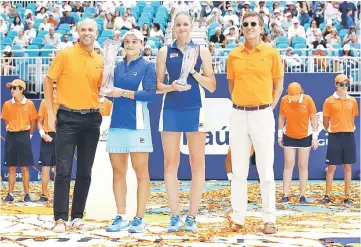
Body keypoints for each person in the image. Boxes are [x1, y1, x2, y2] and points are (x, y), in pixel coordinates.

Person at [156, 11, 216, 233]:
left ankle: (192, 216)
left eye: (185, 24)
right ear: (174, 27)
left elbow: (212, 85)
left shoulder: (202, 51)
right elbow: (157, 85)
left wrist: (194, 73)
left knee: (196, 164)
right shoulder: (164, 51)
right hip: (171, 108)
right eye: (178, 24)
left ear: (192, 27)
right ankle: (174, 215)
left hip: (194, 109)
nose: (182, 28)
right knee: (170, 164)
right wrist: (171, 87)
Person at [43, 18, 103, 233]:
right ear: (78, 31)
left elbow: (100, 89)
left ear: (97, 33)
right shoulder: (65, 55)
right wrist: (50, 111)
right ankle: (60, 219)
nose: (87, 33)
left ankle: (77, 217)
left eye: (91, 30)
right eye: (83, 29)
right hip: (67, 118)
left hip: (92, 120)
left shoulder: (100, 59)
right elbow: (48, 81)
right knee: (64, 171)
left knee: (85, 171)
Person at [227, 11, 284, 234]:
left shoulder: (271, 54)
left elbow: (278, 83)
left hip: (262, 113)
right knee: (239, 170)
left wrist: (269, 105)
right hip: (239, 114)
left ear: (262, 28)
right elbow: (231, 86)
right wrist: (243, 103)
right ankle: (238, 218)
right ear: (241, 28)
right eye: (245, 24)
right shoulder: (233, 55)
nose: (249, 27)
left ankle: (269, 219)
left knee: (265, 170)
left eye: (253, 24)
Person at [104, 29, 156, 234]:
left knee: (141, 172)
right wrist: (107, 92)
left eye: (135, 41)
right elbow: (109, 93)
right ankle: (121, 215)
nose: (131, 44)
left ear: (142, 45)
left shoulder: (147, 67)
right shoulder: (114, 67)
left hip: (139, 126)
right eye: (127, 41)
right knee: (118, 172)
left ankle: (139, 218)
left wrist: (122, 93)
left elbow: (150, 95)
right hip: (117, 124)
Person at [278, 82, 319, 204]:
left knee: (303, 165)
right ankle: (285, 194)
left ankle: (302, 195)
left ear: (301, 92)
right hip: (288, 135)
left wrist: (315, 137)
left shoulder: (308, 100)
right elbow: (281, 117)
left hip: (305, 136)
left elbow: (314, 118)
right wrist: (280, 135)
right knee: (288, 164)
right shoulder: (285, 100)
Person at [322, 74, 359, 206]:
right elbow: (325, 121)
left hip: (349, 136)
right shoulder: (329, 101)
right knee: (331, 166)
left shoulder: (353, 101)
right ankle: (327, 195)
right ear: (336, 85)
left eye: (346, 84)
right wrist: (333, 130)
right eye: (342, 84)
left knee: (348, 166)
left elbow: (352, 118)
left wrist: (346, 127)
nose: (344, 87)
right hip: (335, 136)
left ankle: (347, 196)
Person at [1, 79, 37, 202]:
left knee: (25, 167)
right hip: (11, 136)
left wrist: (30, 135)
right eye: (11, 88)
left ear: (21, 89)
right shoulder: (6, 104)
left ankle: (27, 194)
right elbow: (5, 119)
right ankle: (10, 194)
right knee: (11, 167)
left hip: (24, 136)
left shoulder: (30, 104)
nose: (12, 90)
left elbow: (33, 121)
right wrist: (10, 128)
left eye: (14, 88)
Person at [38, 82, 59, 202]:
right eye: (53, 87)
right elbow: (39, 121)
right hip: (47, 135)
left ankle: (58, 195)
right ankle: (44, 194)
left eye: (56, 87)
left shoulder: (64, 102)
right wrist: (43, 134)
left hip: (61, 136)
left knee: (58, 167)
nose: (54, 90)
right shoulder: (44, 102)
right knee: (45, 167)